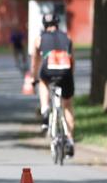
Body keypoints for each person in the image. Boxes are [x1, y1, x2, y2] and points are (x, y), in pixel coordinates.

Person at [31, 12, 75, 155]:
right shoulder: (67, 37)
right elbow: (72, 59)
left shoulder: (39, 39)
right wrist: (70, 76)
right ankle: (70, 139)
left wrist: (34, 78)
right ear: (57, 24)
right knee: (67, 106)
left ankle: (45, 109)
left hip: (48, 70)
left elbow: (35, 62)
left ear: (44, 25)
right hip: (65, 71)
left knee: (42, 81)